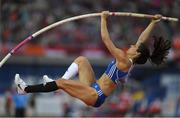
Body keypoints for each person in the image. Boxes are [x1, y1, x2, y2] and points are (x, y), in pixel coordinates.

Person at [14, 11, 171, 107]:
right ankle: (55, 83)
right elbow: (141, 41)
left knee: (60, 84)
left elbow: (105, 39)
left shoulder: (123, 59)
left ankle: (25, 89)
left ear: (136, 54)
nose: (131, 44)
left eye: (134, 47)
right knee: (82, 60)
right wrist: (153, 22)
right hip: (94, 87)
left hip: (95, 96)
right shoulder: (131, 58)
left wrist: (103, 18)